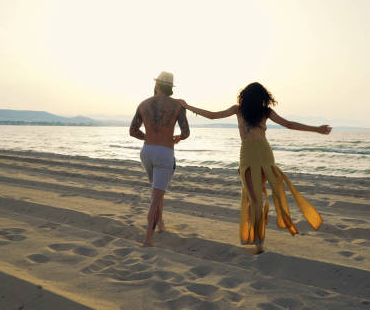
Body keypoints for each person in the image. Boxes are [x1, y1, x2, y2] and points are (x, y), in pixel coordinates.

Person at [178, 82, 331, 254]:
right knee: (256, 199)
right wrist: (316, 129)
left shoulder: (238, 110)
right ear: (263, 97)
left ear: (245, 96)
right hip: (264, 153)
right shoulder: (265, 111)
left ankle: (258, 240)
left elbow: (213, 116)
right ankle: (258, 240)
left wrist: (187, 105)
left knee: (254, 200)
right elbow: (289, 124)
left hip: (249, 155)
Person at [130, 71, 190, 247]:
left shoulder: (143, 104)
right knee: (156, 198)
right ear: (171, 88)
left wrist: (148, 138)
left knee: (158, 190)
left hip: (147, 152)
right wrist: (177, 137)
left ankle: (161, 224)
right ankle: (148, 239)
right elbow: (186, 132)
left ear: (157, 85)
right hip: (164, 152)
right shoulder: (178, 106)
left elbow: (133, 131)